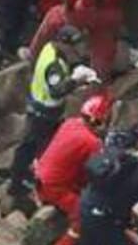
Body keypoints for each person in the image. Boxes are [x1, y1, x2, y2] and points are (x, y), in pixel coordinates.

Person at [9, 26, 97, 196]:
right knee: (38, 147)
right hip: (44, 113)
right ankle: (23, 184)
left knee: (31, 146)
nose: (77, 49)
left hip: (40, 107)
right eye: (74, 45)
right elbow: (56, 90)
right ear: (63, 44)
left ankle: (22, 179)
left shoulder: (49, 48)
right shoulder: (53, 65)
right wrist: (75, 80)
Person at [35, 93, 112, 245]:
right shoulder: (92, 142)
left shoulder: (70, 123)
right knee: (83, 215)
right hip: (54, 187)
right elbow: (97, 173)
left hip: (41, 175)